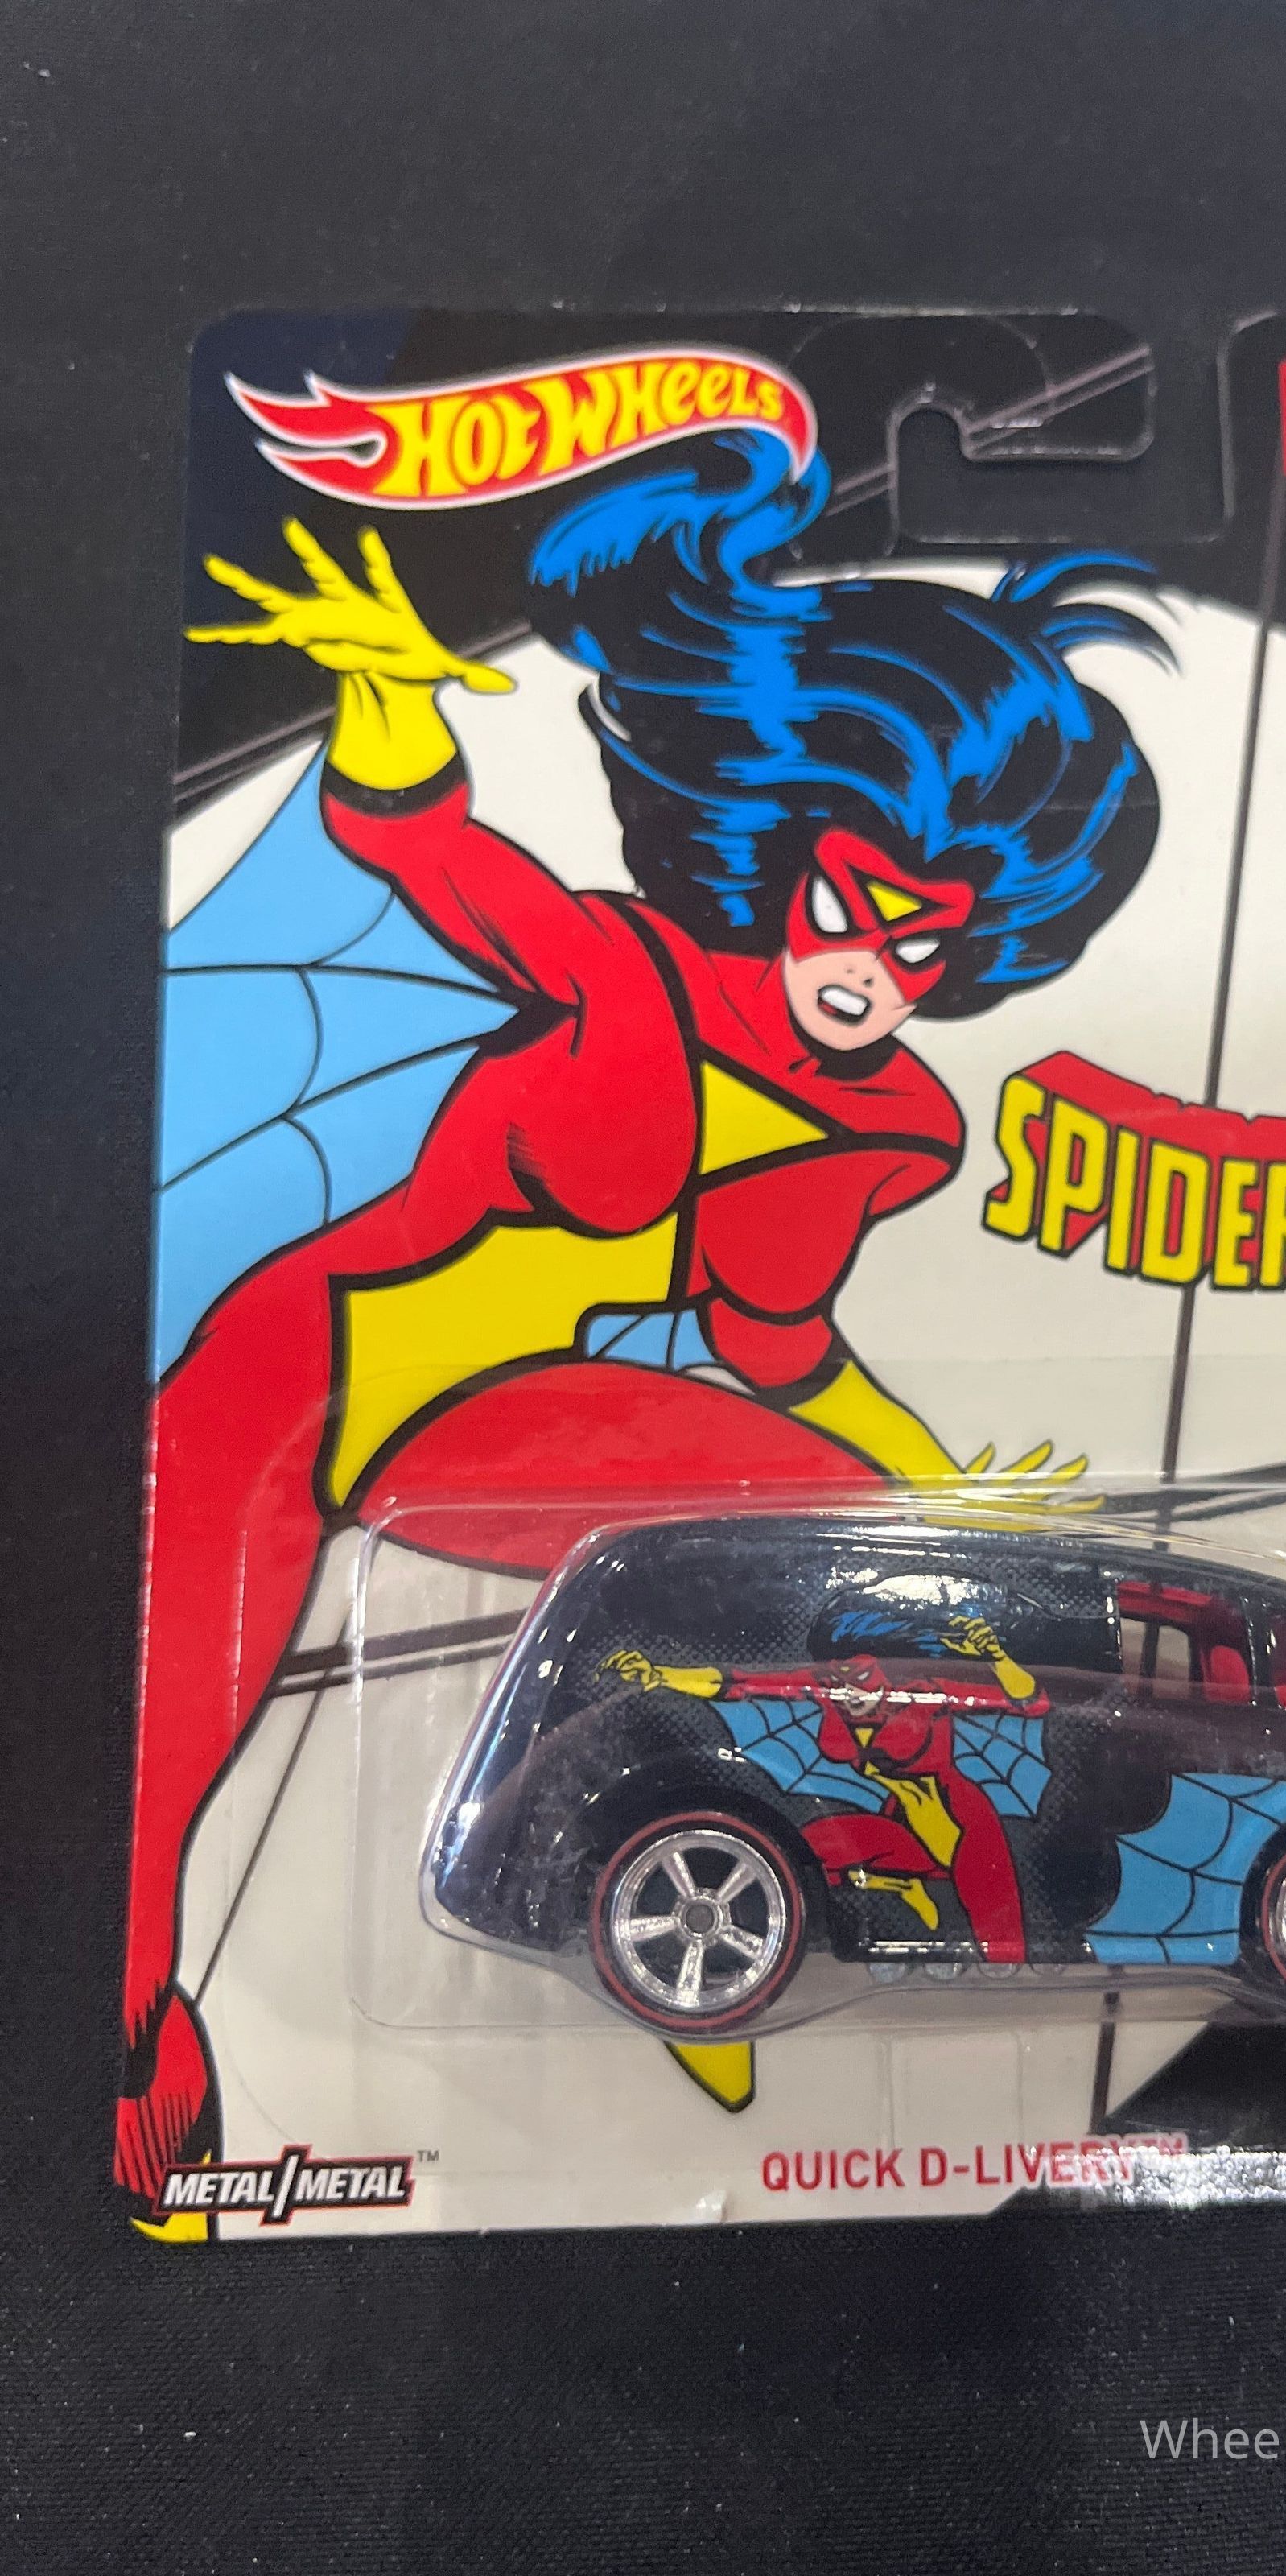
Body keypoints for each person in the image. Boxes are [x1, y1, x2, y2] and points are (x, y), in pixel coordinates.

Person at [118, 428, 1165, 2209]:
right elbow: (435, 855)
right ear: (783, 839)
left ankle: (710, 1895)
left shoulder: (893, 1126)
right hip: (299, 1369)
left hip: (515, 1417)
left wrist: (933, 1493)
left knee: (854, 1562)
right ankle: (146, 2085)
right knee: (147, 1821)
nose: (872, 974)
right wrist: (386, 703)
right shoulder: (623, 969)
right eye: (854, 910)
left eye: (925, 948)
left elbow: (777, 1351)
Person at [604, 1608, 1049, 1960]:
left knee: (1000, 1936)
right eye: (839, 1678)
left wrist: (996, 1657)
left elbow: (1029, 1701)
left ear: (889, 1668)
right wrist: (663, 1675)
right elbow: (741, 1684)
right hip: (901, 1824)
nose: (849, 1691)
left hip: (962, 1822)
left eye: (862, 1677)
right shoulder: (826, 1689)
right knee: (814, 1846)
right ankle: (903, 1888)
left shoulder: (926, 1692)